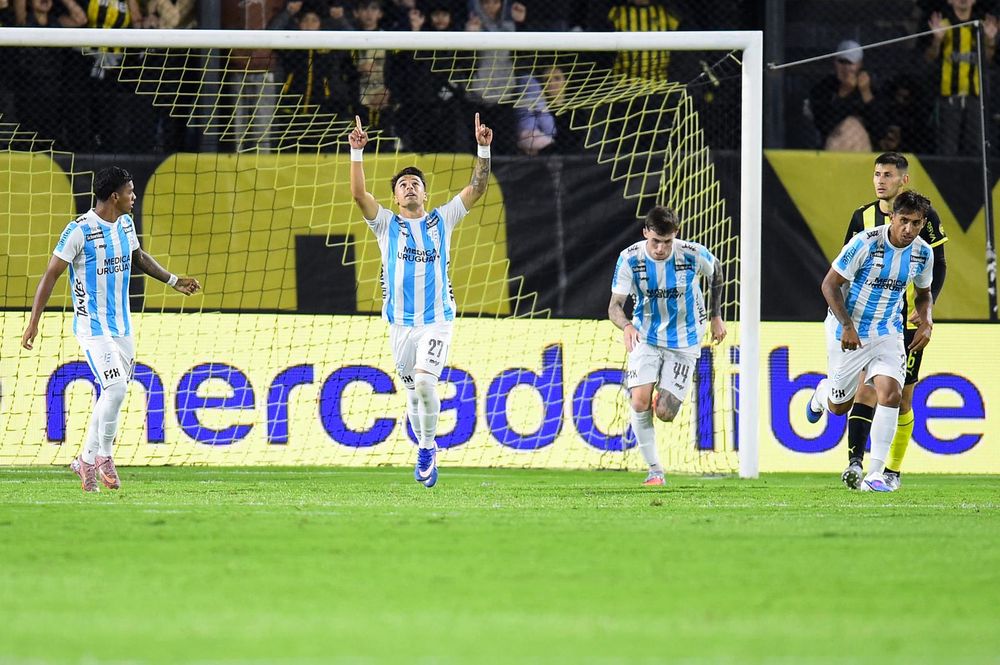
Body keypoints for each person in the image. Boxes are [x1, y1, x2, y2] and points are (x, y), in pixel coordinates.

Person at [20, 167, 201, 492]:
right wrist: (34, 322)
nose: (134, 196)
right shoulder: (80, 230)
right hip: (92, 326)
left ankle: (84, 461)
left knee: (112, 392)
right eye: (130, 191)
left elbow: (138, 257)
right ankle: (104, 455)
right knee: (116, 387)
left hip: (122, 325)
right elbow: (51, 275)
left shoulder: (126, 224)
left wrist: (174, 281)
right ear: (115, 196)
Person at [348, 114, 493, 487]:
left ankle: (427, 448)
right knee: (413, 394)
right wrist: (356, 153)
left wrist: (483, 148)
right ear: (395, 198)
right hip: (400, 324)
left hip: (436, 320)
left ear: (425, 194)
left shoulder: (442, 220)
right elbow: (359, 195)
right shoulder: (386, 225)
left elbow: (477, 188)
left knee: (427, 384)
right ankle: (424, 445)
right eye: (403, 185)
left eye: (415, 184)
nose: (409, 187)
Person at [806, 190, 935, 493]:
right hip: (848, 330)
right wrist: (847, 326)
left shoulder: (923, 253)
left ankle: (875, 475)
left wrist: (927, 319)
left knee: (891, 394)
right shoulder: (865, 243)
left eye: (916, 223)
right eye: (904, 221)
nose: (909, 229)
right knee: (839, 406)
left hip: (888, 331)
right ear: (892, 217)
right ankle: (822, 394)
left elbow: (924, 293)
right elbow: (830, 284)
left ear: (922, 222)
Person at [838, 153, 948, 491]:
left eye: (887, 174)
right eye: (877, 174)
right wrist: (845, 320)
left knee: (901, 398)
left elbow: (939, 264)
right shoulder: (862, 217)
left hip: (906, 318)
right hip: (869, 319)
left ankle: (891, 472)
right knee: (864, 389)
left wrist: (927, 311)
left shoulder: (926, 218)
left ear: (904, 179)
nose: (880, 180)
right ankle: (857, 464)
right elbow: (844, 269)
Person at [607, 206, 726, 486]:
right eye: (655, 241)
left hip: (686, 339)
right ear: (645, 233)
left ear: (676, 235)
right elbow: (614, 306)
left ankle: (659, 395)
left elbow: (717, 271)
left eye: (667, 242)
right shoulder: (630, 258)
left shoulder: (691, 253)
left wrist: (716, 316)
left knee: (665, 414)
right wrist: (627, 326)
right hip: (646, 336)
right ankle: (655, 471)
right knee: (639, 401)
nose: (660, 248)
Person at [923, 0, 997, 155]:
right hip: (949, 97)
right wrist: (937, 40)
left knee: (976, 149)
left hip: (974, 97)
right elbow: (929, 58)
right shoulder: (943, 25)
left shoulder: (980, 26)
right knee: (947, 149)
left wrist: (990, 40)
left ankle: (975, 172)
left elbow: (987, 60)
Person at [806, 40, 883, 151]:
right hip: (834, 144)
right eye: (842, 62)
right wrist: (844, 93)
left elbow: (880, 129)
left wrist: (866, 93)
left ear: (860, 64)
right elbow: (824, 124)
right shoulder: (823, 87)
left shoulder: (870, 87)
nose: (846, 68)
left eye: (850, 63)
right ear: (835, 62)